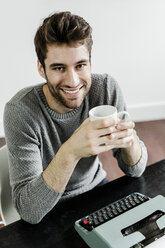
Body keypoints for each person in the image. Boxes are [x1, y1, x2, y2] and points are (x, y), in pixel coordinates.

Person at [4, 11, 147, 224]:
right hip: (48, 211)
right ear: (41, 69)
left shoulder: (105, 89)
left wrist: (130, 141)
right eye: (59, 68)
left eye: (80, 65)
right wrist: (71, 151)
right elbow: (30, 211)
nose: (73, 81)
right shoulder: (20, 111)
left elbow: (135, 170)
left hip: (96, 190)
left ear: (90, 63)